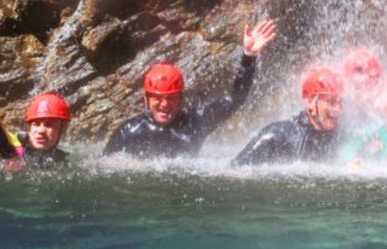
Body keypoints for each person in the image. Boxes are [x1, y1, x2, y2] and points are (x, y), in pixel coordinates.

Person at [103, 19, 277, 159]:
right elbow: (104, 168)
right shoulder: (128, 131)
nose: (164, 105)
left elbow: (235, 99)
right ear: (146, 99)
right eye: (158, 98)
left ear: (180, 99)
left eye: (171, 98)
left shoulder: (195, 123)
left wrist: (249, 56)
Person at [0, 35, 70, 170]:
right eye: (36, 124)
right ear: (29, 127)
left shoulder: (61, 160)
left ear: (63, 129)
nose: (40, 131)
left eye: (49, 125)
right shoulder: (14, 147)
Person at [231, 66, 344, 166]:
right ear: (309, 101)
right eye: (331, 102)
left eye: (341, 102)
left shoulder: (340, 137)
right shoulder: (276, 137)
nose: (338, 109)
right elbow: (234, 173)